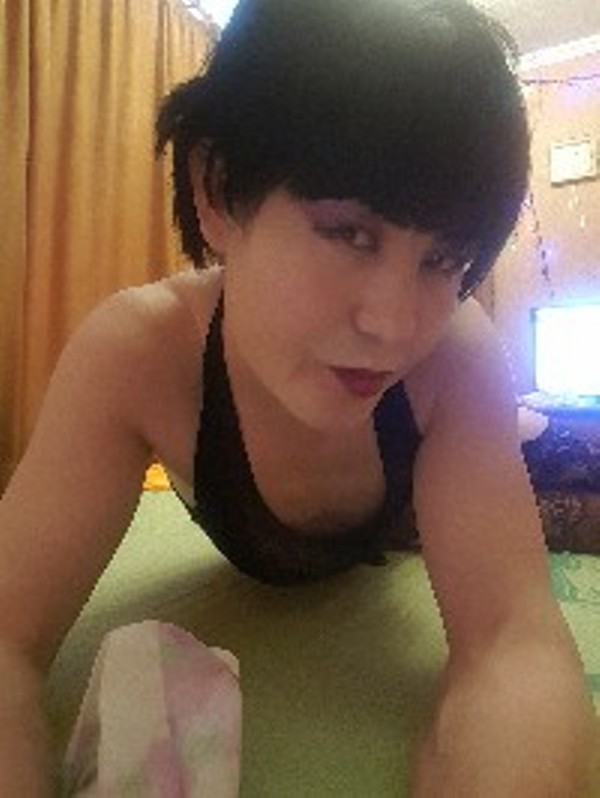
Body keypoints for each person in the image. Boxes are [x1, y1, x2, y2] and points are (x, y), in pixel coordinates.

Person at [0, 0, 597, 794]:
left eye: (443, 259)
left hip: (448, 483)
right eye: (349, 233)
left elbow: (512, 644)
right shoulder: (136, 353)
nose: (394, 326)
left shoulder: (453, 351)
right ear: (217, 190)